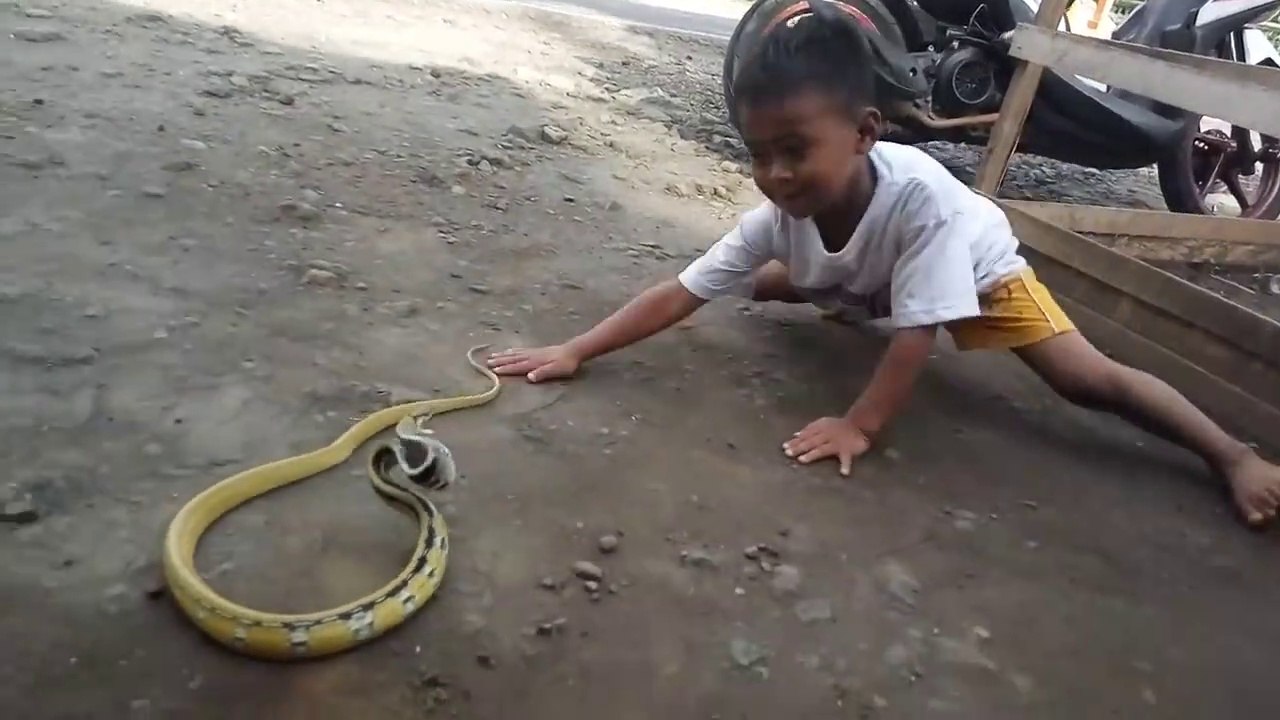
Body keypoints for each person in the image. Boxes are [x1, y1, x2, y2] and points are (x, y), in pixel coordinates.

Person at [485, 2, 1280, 527]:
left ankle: (1232, 454)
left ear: (867, 132)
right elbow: (681, 293)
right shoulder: (778, 215)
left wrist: (859, 423)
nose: (775, 174)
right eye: (759, 155)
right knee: (752, 280)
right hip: (872, 277)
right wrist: (575, 349)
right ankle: (832, 287)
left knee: (1084, 378)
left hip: (974, 274)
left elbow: (916, 339)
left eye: (795, 151)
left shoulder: (928, 204)